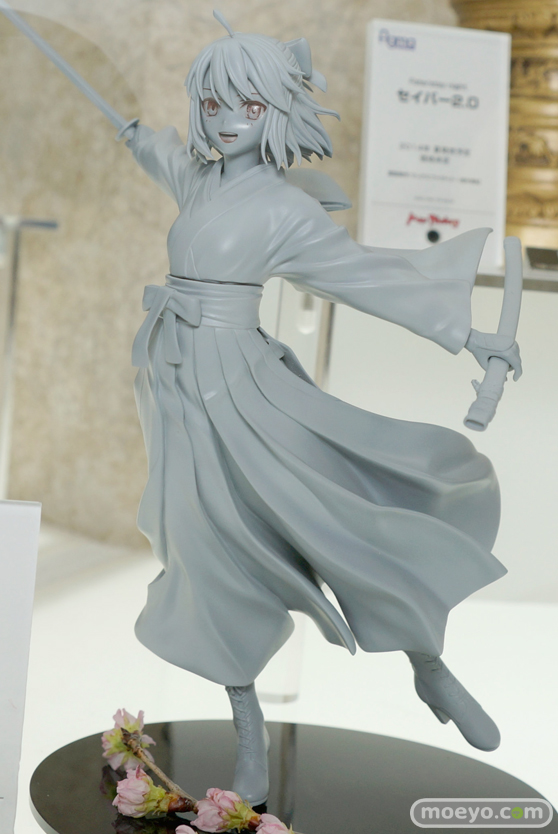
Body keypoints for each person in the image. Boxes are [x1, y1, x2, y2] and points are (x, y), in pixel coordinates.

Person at [125, 12, 521, 805]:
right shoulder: (199, 180)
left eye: (248, 105)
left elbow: (364, 279)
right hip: (176, 390)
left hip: (245, 391)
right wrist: (134, 133)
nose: (225, 120)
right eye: (212, 103)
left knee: (337, 521)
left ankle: (429, 664)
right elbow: (162, 152)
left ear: (276, 109)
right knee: (209, 555)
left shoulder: (286, 211)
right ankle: (249, 736)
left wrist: (468, 336)